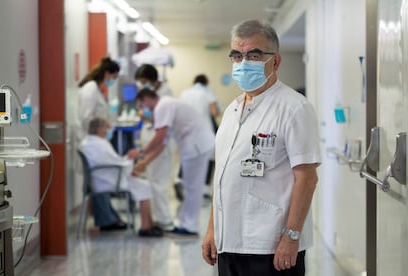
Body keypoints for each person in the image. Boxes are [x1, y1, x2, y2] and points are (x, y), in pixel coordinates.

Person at [201, 19, 321, 275]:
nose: (243, 63)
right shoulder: (232, 110)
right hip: (229, 242)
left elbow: (307, 178)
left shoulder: (294, 108)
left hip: (271, 246)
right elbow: (221, 177)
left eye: (253, 55)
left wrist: (291, 236)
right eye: (237, 55)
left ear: (275, 61)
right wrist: (213, 229)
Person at [131, 89, 215, 238]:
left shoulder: (162, 106)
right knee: (191, 187)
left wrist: (142, 153)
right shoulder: (165, 107)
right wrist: (144, 162)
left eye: (142, 104)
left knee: (192, 188)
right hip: (197, 145)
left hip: (197, 145)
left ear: (147, 98)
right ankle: (186, 225)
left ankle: (189, 228)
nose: (143, 109)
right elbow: (162, 143)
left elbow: (159, 136)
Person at [79, 117, 163, 237]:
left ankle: (149, 224)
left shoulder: (88, 142)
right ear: (99, 130)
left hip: (101, 179)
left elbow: (113, 161)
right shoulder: (99, 144)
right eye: (107, 128)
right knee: (144, 186)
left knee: (142, 185)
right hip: (108, 181)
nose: (109, 130)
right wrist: (130, 161)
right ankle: (146, 227)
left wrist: (126, 162)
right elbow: (117, 164)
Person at [76, 57, 124, 231]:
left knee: (101, 178)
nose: (113, 80)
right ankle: (107, 219)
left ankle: (108, 217)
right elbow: (86, 118)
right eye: (114, 76)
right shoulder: (90, 89)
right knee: (100, 179)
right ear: (107, 73)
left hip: (95, 140)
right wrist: (100, 129)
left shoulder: (95, 88)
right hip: (91, 141)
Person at [134, 64, 175, 231]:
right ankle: (159, 219)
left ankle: (164, 220)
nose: (142, 85)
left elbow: (163, 127)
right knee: (153, 181)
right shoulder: (148, 94)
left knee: (159, 183)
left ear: (153, 80)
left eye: (144, 81)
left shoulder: (166, 94)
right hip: (151, 137)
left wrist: (147, 117)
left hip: (161, 142)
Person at [180, 74, 220, 199]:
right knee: (209, 158)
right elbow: (214, 113)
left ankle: (180, 180)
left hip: (187, 131)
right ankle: (205, 189)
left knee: (188, 157)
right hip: (204, 132)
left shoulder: (184, 93)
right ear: (206, 83)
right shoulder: (207, 92)